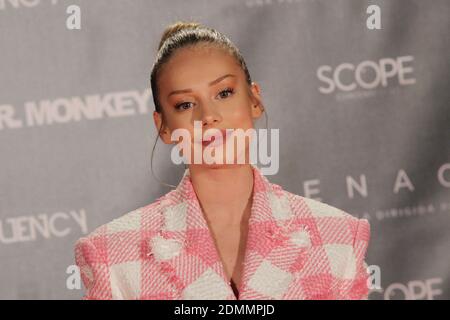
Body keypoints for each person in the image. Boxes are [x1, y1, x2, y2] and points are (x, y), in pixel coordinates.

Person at [74, 21, 371, 300]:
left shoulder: (340, 236)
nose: (208, 116)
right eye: (185, 104)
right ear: (163, 126)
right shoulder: (111, 253)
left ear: (254, 100)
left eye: (224, 93)